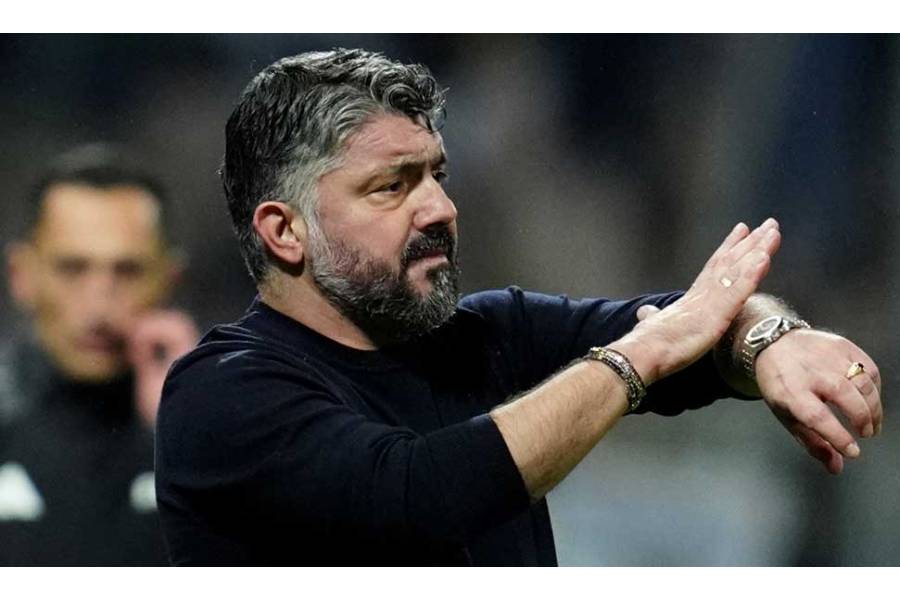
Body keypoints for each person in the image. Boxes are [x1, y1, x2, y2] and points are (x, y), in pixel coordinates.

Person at [155, 49, 883, 566]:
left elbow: (694, 323)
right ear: (285, 232)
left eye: (437, 175)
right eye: (391, 186)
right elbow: (418, 499)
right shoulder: (223, 393)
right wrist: (637, 359)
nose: (440, 207)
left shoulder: (486, 335)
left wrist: (772, 339)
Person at [0, 144, 199, 565]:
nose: (98, 305)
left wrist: (195, 435)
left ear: (170, 279)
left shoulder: (224, 438)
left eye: (127, 271)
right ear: (21, 275)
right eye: (72, 269)